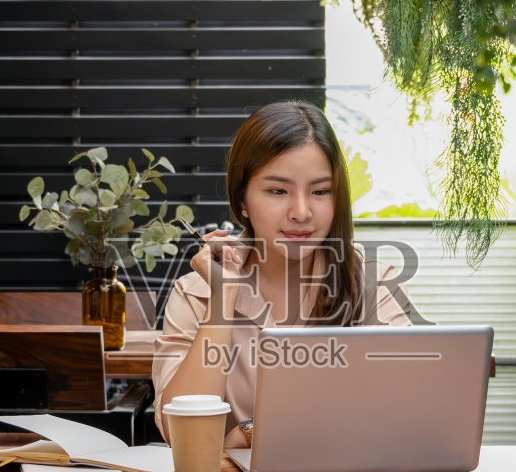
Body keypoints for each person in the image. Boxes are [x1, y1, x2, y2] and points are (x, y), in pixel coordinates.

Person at [152, 100, 416, 449]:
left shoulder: (373, 285)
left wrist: (250, 432)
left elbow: (410, 413)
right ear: (242, 200)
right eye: (278, 191)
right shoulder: (195, 293)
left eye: (320, 191)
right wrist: (223, 296)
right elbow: (182, 435)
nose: (301, 212)